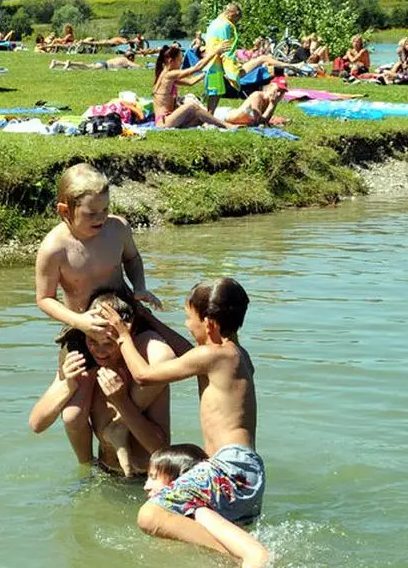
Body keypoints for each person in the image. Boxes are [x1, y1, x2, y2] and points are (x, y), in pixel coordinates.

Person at [34, 163, 193, 466]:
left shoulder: (117, 228)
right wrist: (79, 321)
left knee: (172, 359)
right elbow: (44, 299)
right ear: (64, 210)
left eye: (105, 209)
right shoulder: (54, 248)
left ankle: (120, 421)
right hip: (84, 327)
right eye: (91, 214)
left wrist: (141, 286)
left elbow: (132, 258)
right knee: (73, 414)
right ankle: (87, 465)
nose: (101, 218)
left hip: (125, 316)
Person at [100, 277, 264, 558]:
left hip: (228, 469)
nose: (187, 325)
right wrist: (148, 320)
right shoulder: (236, 355)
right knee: (192, 520)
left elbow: (144, 375)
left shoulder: (214, 356)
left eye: (188, 318)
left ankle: (247, 557)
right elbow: (188, 352)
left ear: (209, 324)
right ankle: (241, 553)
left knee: (151, 515)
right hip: (244, 473)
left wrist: (123, 336)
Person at [29, 291, 175, 477]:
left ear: (126, 337)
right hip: (104, 473)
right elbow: (36, 424)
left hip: (147, 478)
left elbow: (160, 449)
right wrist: (68, 385)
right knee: (72, 413)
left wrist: (122, 403)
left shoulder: (144, 373)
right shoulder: (85, 366)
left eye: (108, 343)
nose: (100, 351)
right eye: (92, 341)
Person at [144, 445, 270, 568]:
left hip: (236, 462)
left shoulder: (199, 511)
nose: (146, 486)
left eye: (153, 477)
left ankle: (246, 555)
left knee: (148, 516)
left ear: (181, 480)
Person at [152, 44, 232, 129]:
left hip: (170, 118)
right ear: (171, 61)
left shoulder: (166, 76)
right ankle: (226, 125)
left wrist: (205, 74)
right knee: (191, 106)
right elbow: (196, 68)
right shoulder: (169, 75)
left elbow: (190, 82)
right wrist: (214, 52)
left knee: (199, 117)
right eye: (180, 61)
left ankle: (216, 123)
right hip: (164, 122)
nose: (181, 64)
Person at [214, 81, 287, 128]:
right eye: (278, 90)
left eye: (282, 92)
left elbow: (265, 122)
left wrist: (272, 105)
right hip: (222, 115)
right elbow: (257, 122)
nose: (278, 94)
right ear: (270, 87)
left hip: (233, 115)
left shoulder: (272, 101)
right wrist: (272, 105)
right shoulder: (257, 96)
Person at [49, 51, 140, 70]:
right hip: (104, 65)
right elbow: (137, 66)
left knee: (85, 67)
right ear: (131, 57)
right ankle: (70, 63)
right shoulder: (126, 60)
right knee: (88, 67)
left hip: (102, 62)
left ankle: (57, 62)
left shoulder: (120, 58)